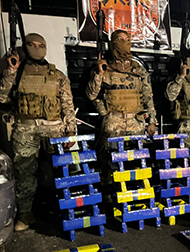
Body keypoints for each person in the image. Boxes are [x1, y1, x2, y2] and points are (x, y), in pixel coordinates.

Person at [0, 33, 76, 231]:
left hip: (54, 128)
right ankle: (25, 216)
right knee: (24, 172)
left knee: (61, 170)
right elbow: (2, 98)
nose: (36, 48)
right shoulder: (16, 72)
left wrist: (71, 130)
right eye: (32, 44)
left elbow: (68, 105)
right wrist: (11, 71)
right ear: (25, 47)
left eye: (40, 45)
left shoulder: (57, 75)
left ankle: (65, 212)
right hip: (25, 128)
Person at [85, 29, 157, 140]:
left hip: (135, 123)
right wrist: (99, 74)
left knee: (136, 151)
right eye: (120, 39)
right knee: (111, 151)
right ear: (113, 44)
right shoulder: (104, 68)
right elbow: (91, 95)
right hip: (113, 123)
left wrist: (152, 121)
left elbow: (148, 96)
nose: (124, 43)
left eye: (127, 40)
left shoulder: (138, 70)